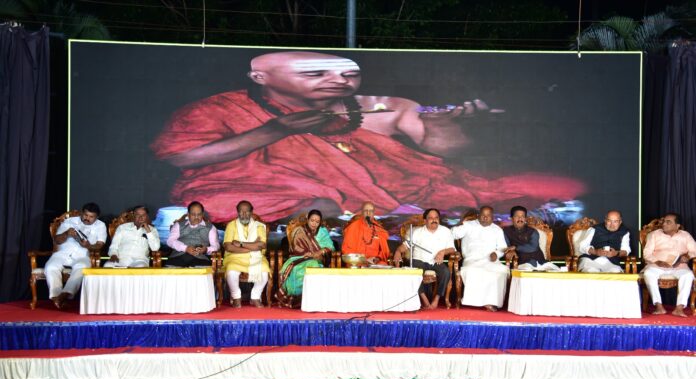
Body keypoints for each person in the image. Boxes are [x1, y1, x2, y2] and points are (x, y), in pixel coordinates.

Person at [151, 51, 585, 223]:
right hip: (256, 183)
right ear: (261, 78)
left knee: (464, 192)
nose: (339, 80)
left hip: (391, 187)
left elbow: (443, 149)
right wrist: (272, 132)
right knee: (314, 200)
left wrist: (446, 128)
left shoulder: (383, 105)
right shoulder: (217, 108)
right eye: (317, 73)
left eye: (348, 73)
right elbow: (181, 157)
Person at [45, 202, 107, 308]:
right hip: (62, 253)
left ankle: (65, 295)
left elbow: (99, 245)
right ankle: (57, 297)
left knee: (82, 267)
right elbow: (57, 240)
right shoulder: (69, 221)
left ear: (96, 217)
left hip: (82, 255)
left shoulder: (100, 225)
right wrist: (66, 234)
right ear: (82, 213)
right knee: (50, 267)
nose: (87, 218)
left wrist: (88, 246)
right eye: (85, 215)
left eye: (91, 217)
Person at [392, 209, 456, 309]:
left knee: (446, 272)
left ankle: (436, 299)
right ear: (425, 220)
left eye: (436, 218)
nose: (434, 220)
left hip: (436, 262)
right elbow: (405, 246)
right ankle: (425, 300)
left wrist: (442, 252)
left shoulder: (446, 231)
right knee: (414, 273)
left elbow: (452, 248)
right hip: (419, 260)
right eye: (431, 218)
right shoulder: (417, 232)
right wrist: (397, 251)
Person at [451, 206, 510, 311]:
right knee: (475, 271)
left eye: (488, 216)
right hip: (472, 260)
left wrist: (496, 254)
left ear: (492, 217)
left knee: (501, 271)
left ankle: (492, 302)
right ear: (478, 216)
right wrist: (458, 228)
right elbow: (453, 233)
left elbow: (502, 248)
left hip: (490, 261)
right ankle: (478, 302)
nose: (485, 218)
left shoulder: (497, 230)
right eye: (483, 215)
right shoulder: (469, 225)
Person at [276, 210, 335, 308]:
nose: (314, 224)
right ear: (307, 219)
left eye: (317, 222)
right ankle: (299, 298)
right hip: (299, 258)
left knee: (314, 264)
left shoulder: (323, 231)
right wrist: (307, 254)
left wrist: (320, 252)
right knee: (311, 266)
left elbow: (330, 246)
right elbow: (295, 249)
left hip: (317, 259)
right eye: (312, 220)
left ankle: (312, 298)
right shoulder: (299, 230)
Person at [642, 213, 696, 317]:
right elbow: (646, 254)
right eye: (664, 221)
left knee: (688, 275)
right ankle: (659, 306)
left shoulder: (685, 235)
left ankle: (679, 308)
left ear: (677, 225)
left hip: (678, 266)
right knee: (648, 274)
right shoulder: (654, 234)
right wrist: (657, 261)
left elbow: (694, 250)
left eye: (668, 222)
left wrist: (688, 256)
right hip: (657, 266)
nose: (664, 224)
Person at [223, 200, 271, 308]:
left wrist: (240, 244)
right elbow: (228, 246)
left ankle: (255, 297)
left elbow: (261, 245)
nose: (244, 214)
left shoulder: (259, 226)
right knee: (231, 271)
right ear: (237, 212)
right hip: (235, 257)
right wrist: (252, 247)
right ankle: (236, 297)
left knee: (264, 271)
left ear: (251, 212)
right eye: (241, 211)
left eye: (247, 211)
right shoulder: (231, 225)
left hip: (256, 257)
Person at [502, 205, 559, 271]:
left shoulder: (533, 231)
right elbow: (507, 246)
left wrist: (515, 247)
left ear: (525, 218)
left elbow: (533, 247)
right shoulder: (506, 231)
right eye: (517, 216)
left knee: (556, 272)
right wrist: (510, 251)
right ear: (512, 218)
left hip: (539, 263)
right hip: (521, 263)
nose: (520, 219)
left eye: (522, 216)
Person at [166, 201, 220, 267]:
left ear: (203, 214)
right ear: (188, 214)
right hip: (178, 257)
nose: (196, 217)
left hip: (200, 259)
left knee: (203, 269)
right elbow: (170, 241)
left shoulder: (210, 227)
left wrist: (206, 249)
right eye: (193, 214)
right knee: (171, 269)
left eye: (199, 214)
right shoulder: (178, 225)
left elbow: (216, 246)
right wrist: (185, 248)